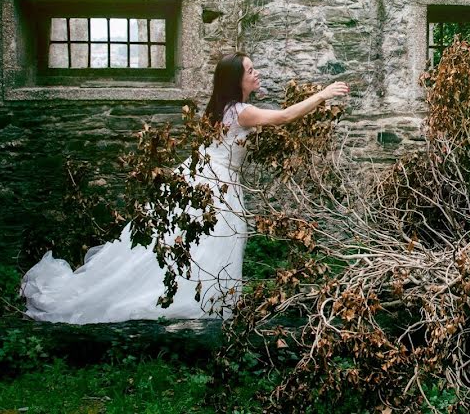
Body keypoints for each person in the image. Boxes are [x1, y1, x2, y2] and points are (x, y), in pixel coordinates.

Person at [20, 52, 349, 323]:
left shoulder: (228, 108)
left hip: (209, 176)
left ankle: (204, 295)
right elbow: (284, 117)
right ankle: (197, 300)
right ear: (236, 80)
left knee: (204, 241)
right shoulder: (241, 111)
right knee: (215, 239)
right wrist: (322, 94)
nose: (256, 73)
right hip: (215, 183)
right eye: (250, 70)